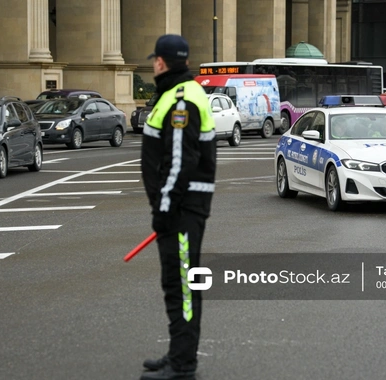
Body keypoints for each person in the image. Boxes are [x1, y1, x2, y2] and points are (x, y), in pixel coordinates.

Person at [140, 34, 216, 380]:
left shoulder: (181, 100)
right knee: (177, 284)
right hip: (182, 207)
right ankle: (177, 354)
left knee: (182, 286)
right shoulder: (178, 93)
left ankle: (183, 366)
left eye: (155, 59)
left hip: (182, 209)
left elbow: (178, 162)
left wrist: (164, 208)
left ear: (161, 62)